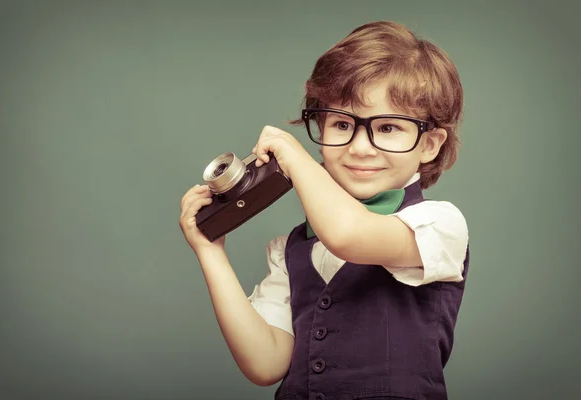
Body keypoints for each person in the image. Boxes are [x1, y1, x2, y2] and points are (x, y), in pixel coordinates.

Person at [179, 20, 469, 400]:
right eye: (342, 124)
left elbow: (350, 236)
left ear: (429, 144)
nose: (360, 148)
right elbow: (264, 364)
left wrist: (295, 160)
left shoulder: (439, 225)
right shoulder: (290, 250)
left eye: (388, 128)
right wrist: (209, 250)